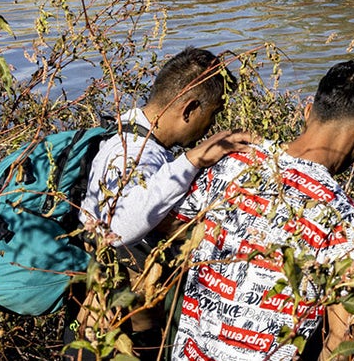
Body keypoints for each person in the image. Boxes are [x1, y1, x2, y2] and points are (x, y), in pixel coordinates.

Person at [171, 60, 354, 361]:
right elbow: (345, 333)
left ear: (307, 111)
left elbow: (170, 233)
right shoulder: (343, 218)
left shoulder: (232, 159)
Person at [74, 47, 253, 360]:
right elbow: (116, 228)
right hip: (113, 337)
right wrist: (194, 159)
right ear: (189, 109)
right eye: (211, 115)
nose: (209, 127)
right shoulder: (131, 152)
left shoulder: (131, 136)